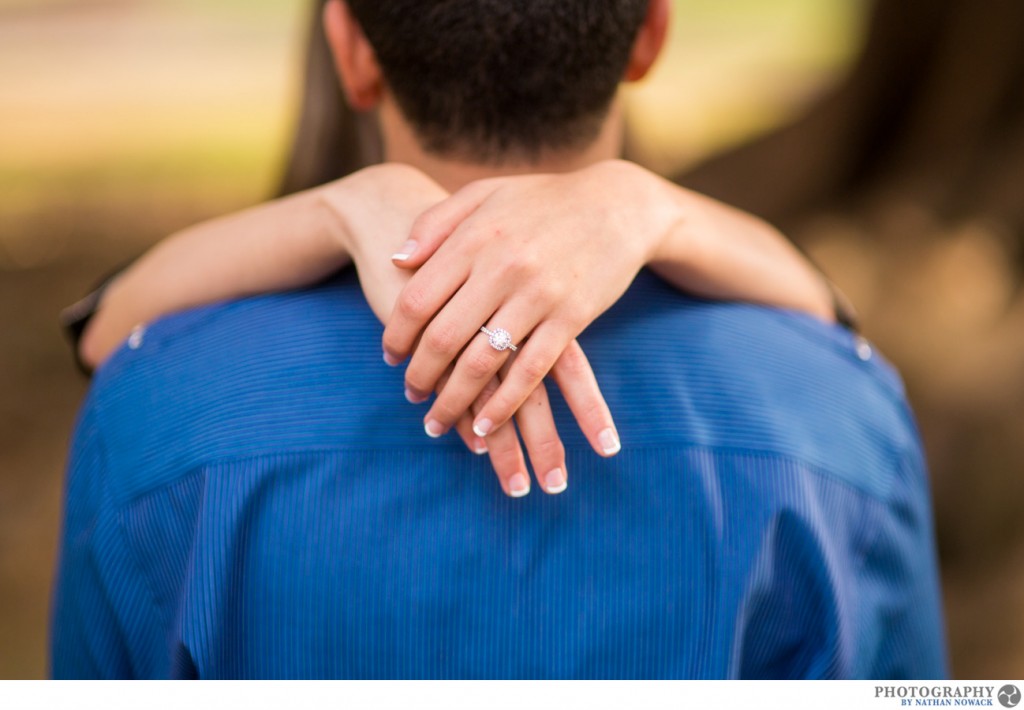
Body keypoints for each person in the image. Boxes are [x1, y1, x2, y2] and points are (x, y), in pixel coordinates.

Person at [51, 0, 947, 678]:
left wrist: (338, 207)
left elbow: (103, 328)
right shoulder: (836, 407)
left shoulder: (153, 409)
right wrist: (658, 207)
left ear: (353, 49)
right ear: (651, 36)